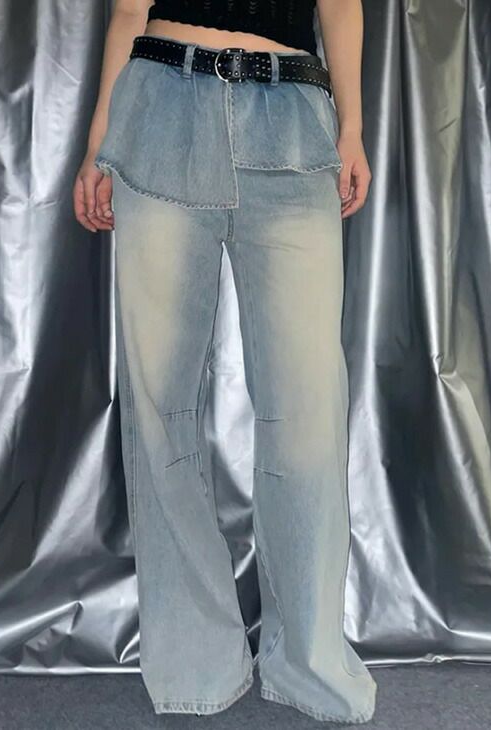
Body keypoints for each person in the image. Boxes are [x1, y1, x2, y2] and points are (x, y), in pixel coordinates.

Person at [73, 0, 375, 723]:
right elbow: (128, 9)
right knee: (160, 406)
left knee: (308, 409)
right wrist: (98, 144)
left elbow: (340, 4)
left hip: (292, 115)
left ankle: (308, 660)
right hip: (161, 103)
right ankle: (195, 662)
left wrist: (353, 128)